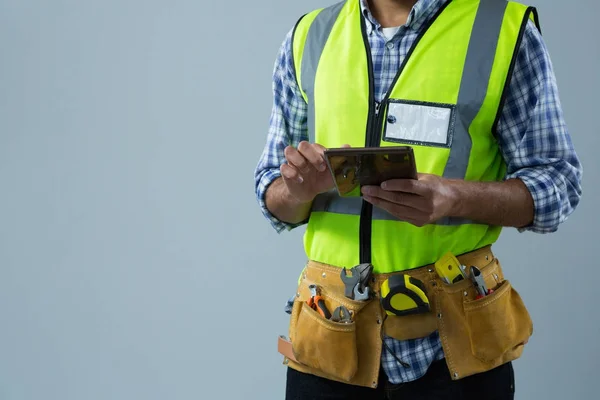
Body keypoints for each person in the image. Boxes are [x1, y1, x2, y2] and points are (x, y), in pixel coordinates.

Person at [253, 0, 583, 399]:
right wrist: (297, 190)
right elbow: (272, 194)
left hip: (454, 353)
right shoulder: (310, 36)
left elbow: (558, 183)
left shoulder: (502, 31)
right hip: (329, 344)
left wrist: (454, 198)